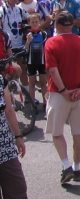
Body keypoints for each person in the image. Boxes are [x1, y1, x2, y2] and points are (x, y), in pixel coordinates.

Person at [44, 11, 80, 184]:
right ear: (71, 25)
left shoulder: (51, 42)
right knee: (78, 133)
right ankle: (76, 167)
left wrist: (63, 90)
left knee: (57, 132)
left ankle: (66, 165)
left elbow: (53, 69)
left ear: (57, 26)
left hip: (59, 94)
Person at [0, 59, 28, 197]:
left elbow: (9, 110)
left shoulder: (0, 80)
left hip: (5, 147)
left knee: (18, 190)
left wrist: (18, 137)